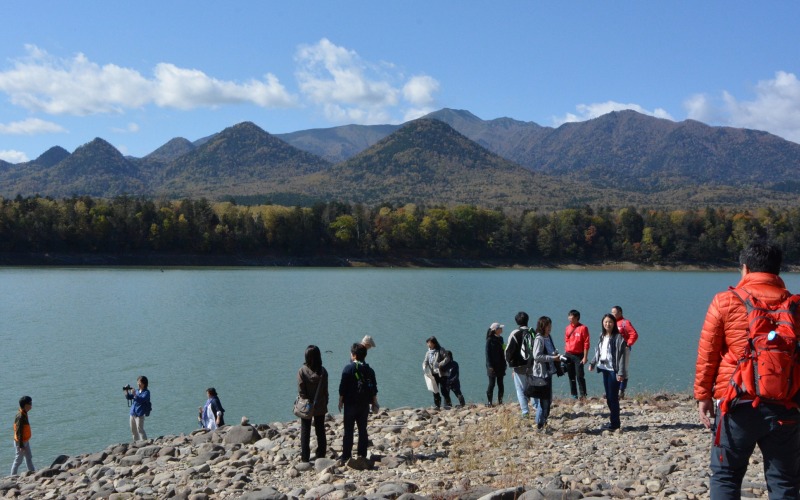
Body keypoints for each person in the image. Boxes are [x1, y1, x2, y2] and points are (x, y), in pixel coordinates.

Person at [695, 241, 800, 498]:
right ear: (778, 270)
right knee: (785, 482)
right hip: (786, 404)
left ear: (745, 268)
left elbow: (707, 353)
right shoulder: (795, 306)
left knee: (726, 476)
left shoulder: (725, 301)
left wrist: (703, 395)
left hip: (736, 401)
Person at [338, 343, 379, 468]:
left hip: (350, 404)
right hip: (364, 404)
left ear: (354, 355)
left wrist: (340, 401)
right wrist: (374, 402)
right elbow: (374, 388)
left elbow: (342, 388)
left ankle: (346, 455)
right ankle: (362, 454)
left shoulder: (348, 368)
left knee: (348, 431)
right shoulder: (370, 370)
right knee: (362, 430)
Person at [589, 314, 628, 431]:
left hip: (613, 370)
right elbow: (598, 351)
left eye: (610, 322)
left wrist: (621, 373)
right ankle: (614, 421)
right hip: (604, 368)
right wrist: (592, 363)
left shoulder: (619, 338)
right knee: (609, 397)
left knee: (613, 398)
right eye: (605, 322)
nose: (607, 324)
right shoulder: (602, 336)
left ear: (614, 323)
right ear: (602, 323)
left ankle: (615, 423)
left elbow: (622, 357)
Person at [297, 345, 329, 462]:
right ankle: (321, 454)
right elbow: (325, 390)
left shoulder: (302, 371)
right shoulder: (323, 371)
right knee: (320, 430)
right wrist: (326, 402)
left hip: (306, 406)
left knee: (305, 431)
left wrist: (306, 401)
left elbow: (301, 391)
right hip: (320, 404)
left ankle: (305, 457)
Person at [532, 317, 561, 431]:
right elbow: (537, 356)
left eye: (550, 326)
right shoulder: (539, 339)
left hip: (549, 372)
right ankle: (540, 423)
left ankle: (543, 421)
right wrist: (553, 358)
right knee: (544, 399)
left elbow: (549, 351)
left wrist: (556, 355)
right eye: (548, 326)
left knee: (547, 399)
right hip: (540, 373)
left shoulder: (549, 337)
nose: (550, 328)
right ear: (542, 326)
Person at [505, 311, 534, 418]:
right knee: (532, 386)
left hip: (519, 366)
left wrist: (511, 365)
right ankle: (536, 406)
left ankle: (525, 412)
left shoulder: (515, 333)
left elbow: (509, 351)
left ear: (517, 321)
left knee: (520, 389)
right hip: (532, 365)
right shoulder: (532, 332)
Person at [612, 305, 638, 399]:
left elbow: (634, 334)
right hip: (613, 350)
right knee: (614, 369)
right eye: (612, 312)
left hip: (624, 349)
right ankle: (613, 390)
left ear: (620, 313)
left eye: (614, 312)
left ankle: (621, 391)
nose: (612, 314)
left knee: (623, 370)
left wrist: (628, 344)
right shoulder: (612, 323)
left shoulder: (625, 323)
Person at [564, 310, 590, 400]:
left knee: (580, 375)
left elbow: (586, 343)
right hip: (568, 354)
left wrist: (585, 357)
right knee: (571, 376)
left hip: (579, 355)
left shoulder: (583, 328)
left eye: (572, 316)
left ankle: (583, 395)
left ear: (577, 318)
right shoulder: (567, 328)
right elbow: (566, 340)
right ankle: (574, 395)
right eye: (569, 316)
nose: (570, 318)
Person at [422, 336, 453, 408]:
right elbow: (425, 361)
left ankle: (448, 404)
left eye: (429, 343)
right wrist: (424, 365)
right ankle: (437, 405)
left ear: (434, 343)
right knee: (434, 390)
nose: (428, 344)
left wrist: (439, 364)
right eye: (427, 343)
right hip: (433, 374)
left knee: (443, 389)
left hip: (441, 373)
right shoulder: (428, 352)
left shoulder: (440, 350)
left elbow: (447, 358)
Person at [11, 396, 34, 475]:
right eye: (30, 403)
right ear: (25, 405)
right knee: (18, 460)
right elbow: (19, 432)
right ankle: (12, 476)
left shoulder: (24, 413)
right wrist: (21, 445)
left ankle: (32, 472)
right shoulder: (20, 416)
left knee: (29, 457)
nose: (31, 405)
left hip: (25, 440)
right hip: (20, 442)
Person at [485, 322, 507, 406]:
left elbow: (503, 351)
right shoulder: (489, 340)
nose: (502, 329)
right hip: (492, 366)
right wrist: (490, 366)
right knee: (492, 384)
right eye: (500, 328)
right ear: (496, 330)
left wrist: (505, 363)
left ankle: (500, 401)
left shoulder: (501, 339)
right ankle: (490, 402)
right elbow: (487, 354)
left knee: (500, 383)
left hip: (500, 365)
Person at [125, 375, 150, 441]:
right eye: (138, 382)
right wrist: (126, 391)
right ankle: (136, 443)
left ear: (144, 384)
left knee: (140, 430)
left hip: (140, 414)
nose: (138, 384)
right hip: (133, 413)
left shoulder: (146, 392)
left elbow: (141, 400)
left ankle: (145, 442)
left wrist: (135, 395)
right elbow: (129, 397)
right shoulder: (136, 391)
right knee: (133, 431)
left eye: (140, 383)